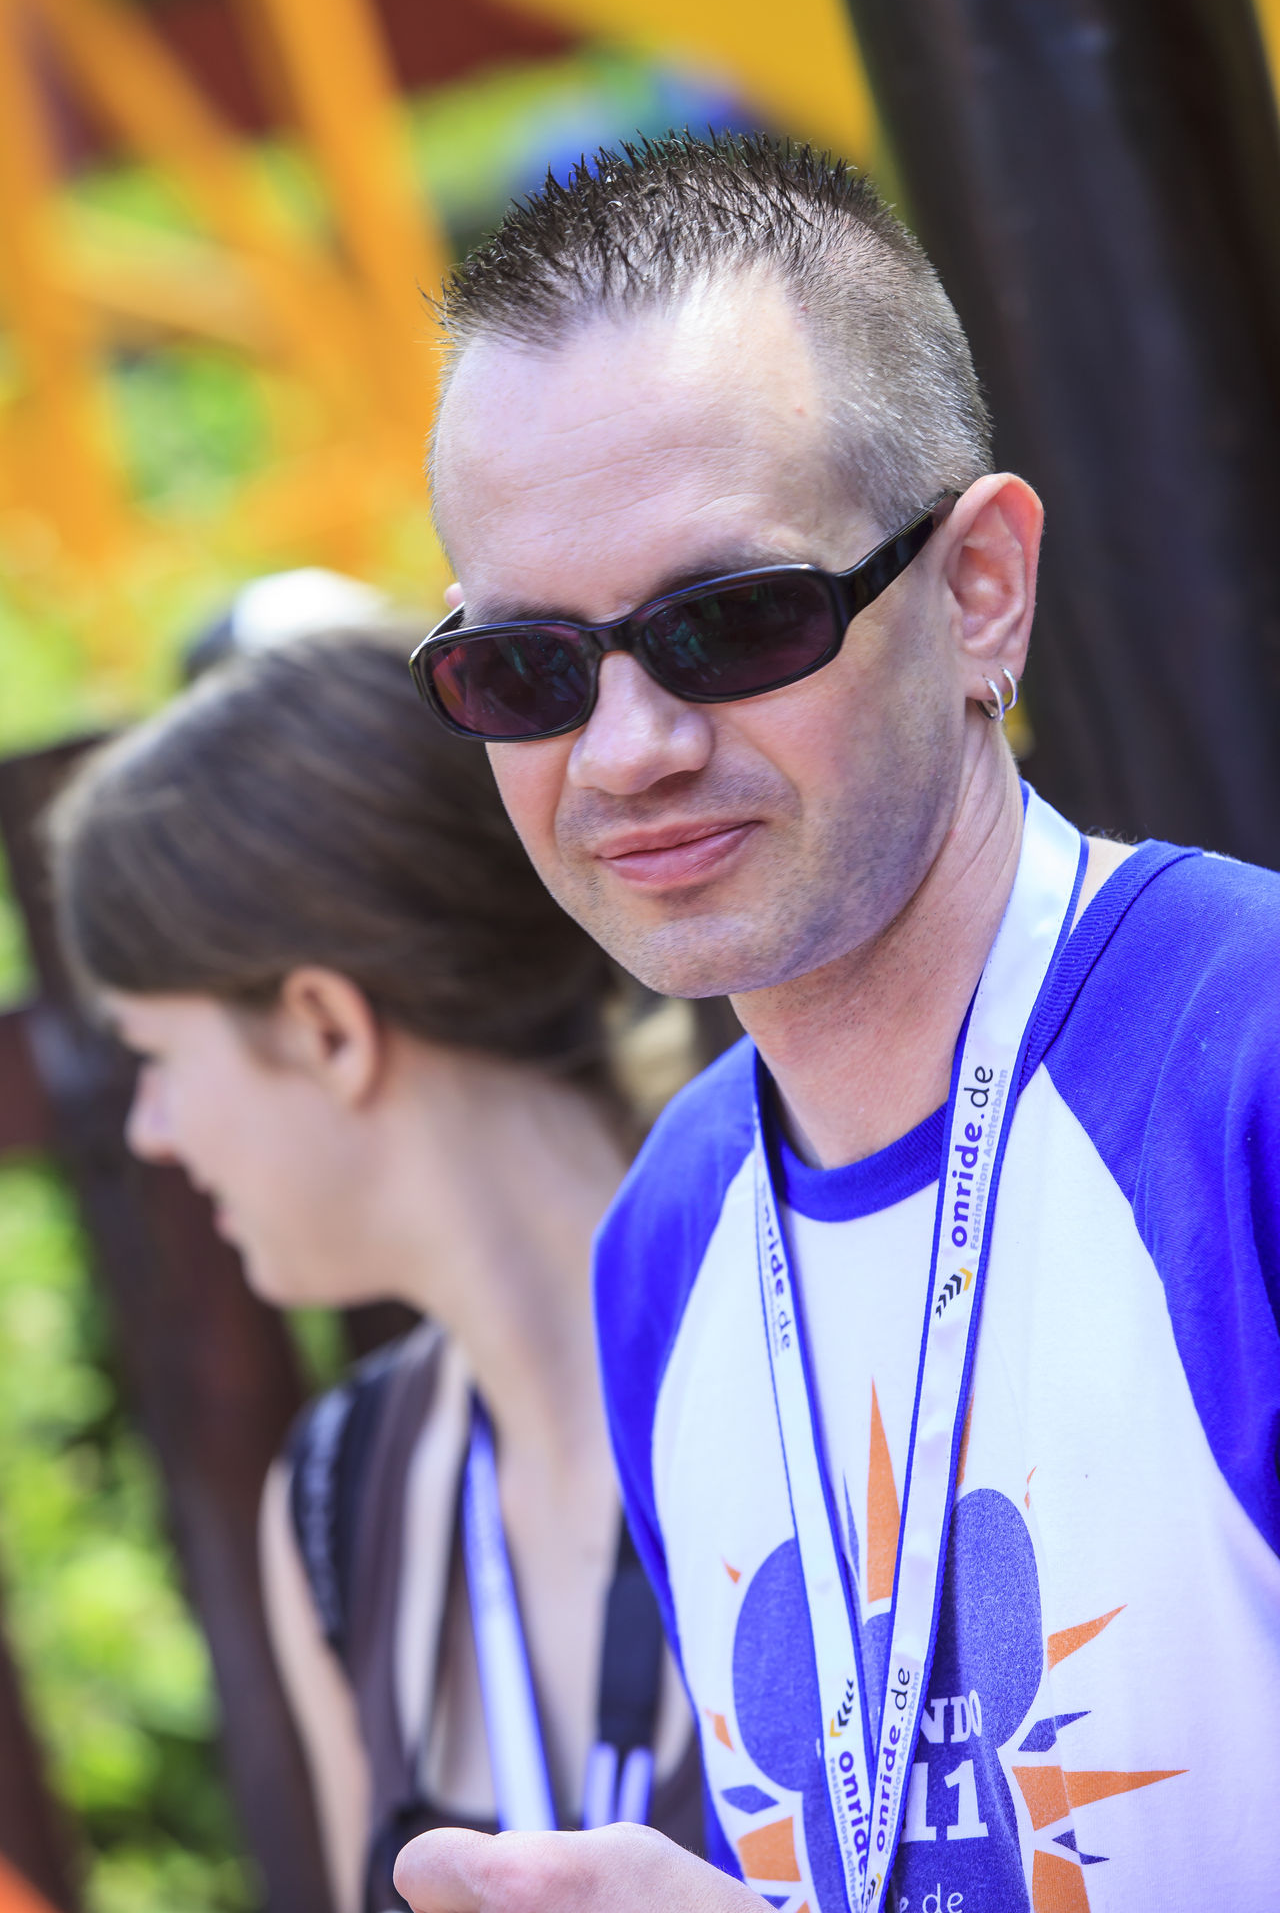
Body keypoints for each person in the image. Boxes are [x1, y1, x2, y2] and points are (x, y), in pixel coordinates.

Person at [393, 134, 1280, 1913]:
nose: (629, 749)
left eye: (731, 622)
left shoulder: (1243, 1059)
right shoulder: (668, 1238)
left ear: (980, 587)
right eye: (527, 670)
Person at [45, 632, 704, 1913]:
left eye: (157, 1059)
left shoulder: (827, 1344)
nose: (150, 1131)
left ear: (325, 1029)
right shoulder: (339, 1498)